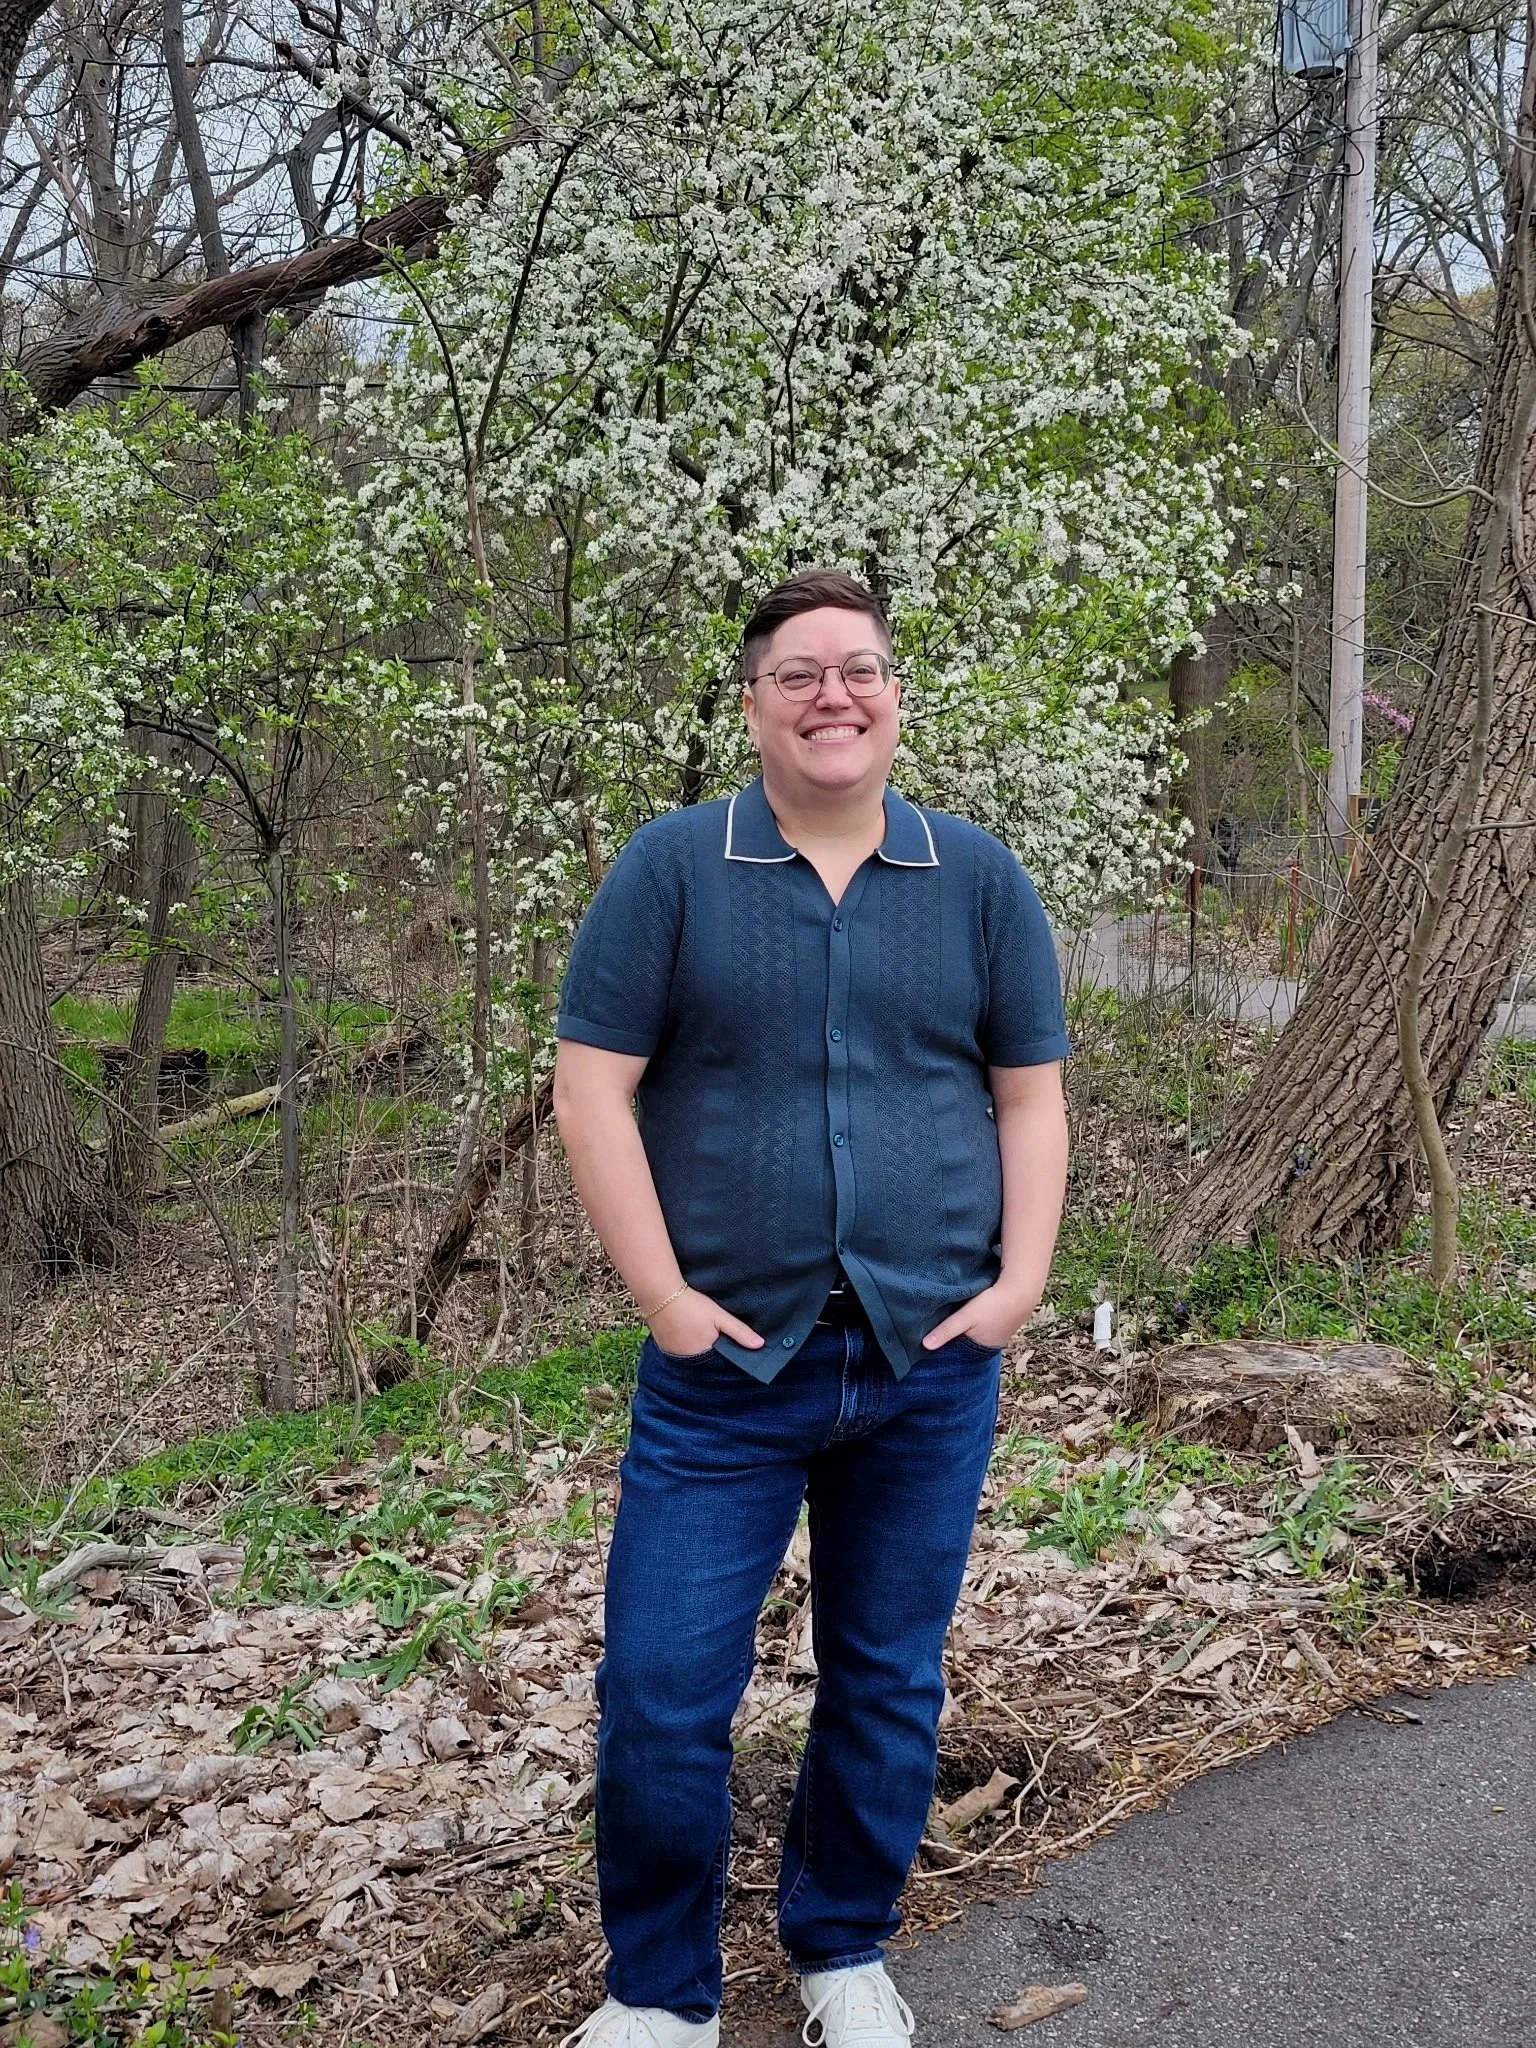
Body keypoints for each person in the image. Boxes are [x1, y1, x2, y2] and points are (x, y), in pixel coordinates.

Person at [553, 569, 1070, 2048]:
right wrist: (662, 1300)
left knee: (890, 1679)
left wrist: (1020, 1285)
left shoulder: (975, 878)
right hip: (728, 1368)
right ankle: (661, 1991)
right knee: (658, 1692)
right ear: (755, 703)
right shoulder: (671, 870)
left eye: (860, 668)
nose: (833, 694)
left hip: (926, 1363)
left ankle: (844, 1944)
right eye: (799, 674)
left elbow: (1028, 1102)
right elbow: (593, 1093)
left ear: (895, 692)